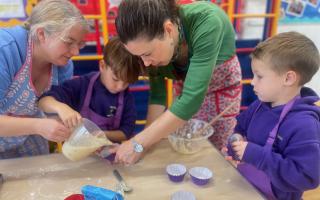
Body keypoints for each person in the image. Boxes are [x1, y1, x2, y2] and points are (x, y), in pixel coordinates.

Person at [111, 0, 242, 164]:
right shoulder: (152, 48)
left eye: (147, 53)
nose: (145, 63)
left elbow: (191, 100)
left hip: (220, 90)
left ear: (168, 29)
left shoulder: (207, 21)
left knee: (212, 156)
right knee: (182, 148)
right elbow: (158, 97)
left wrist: (138, 142)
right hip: (187, 94)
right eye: (139, 57)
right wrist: (142, 145)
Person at [225, 32, 320, 200]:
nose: (253, 82)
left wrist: (257, 155)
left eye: (259, 76)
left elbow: (307, 177)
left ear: (288, 78)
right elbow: (240, 127)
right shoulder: (258, 105)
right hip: (245, 188)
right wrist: (236, 139)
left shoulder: (304, 125)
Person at [0, 0, 88, 159]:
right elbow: (40, 124)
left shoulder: (64, 65)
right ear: (41, 34)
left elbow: (49, 111)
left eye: (80, 44)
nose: (75, 51)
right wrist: (38, 126)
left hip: (28, 138)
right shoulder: (4, 51)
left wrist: (70, 128)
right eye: (69, 42)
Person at [39, 37, 144, 143]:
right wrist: (61, 108)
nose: (120, 87)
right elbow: (43, 101)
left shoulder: (126, 97)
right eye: (115, 79)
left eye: (126, 82)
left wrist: (102, 135)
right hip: (77, 152)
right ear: (102, 66)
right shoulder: (82, 85)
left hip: (110, 153)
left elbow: (126, 133)